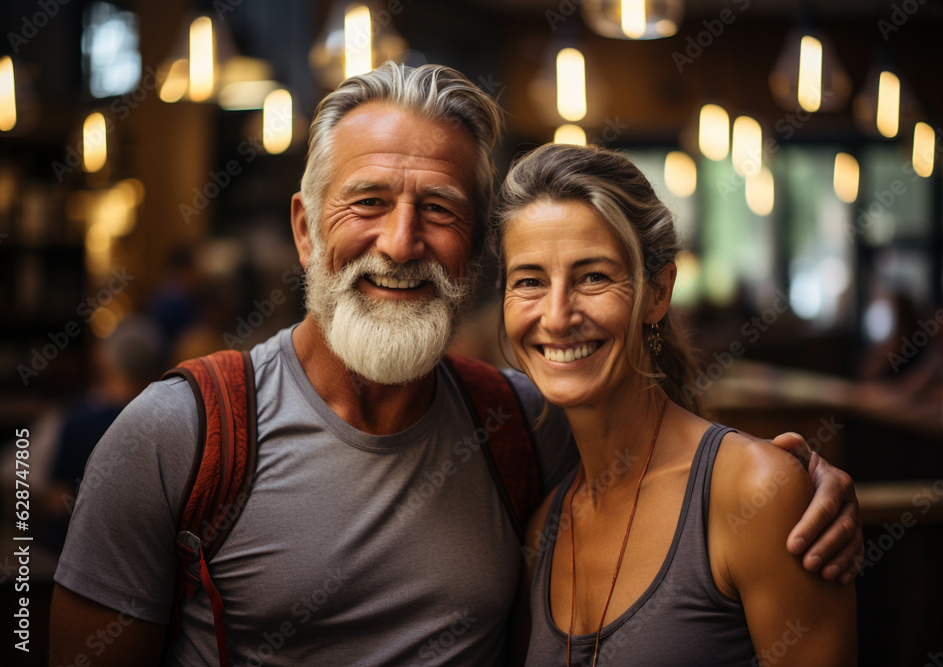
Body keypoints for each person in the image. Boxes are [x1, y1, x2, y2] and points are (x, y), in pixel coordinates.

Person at [50, 63, 862, 666]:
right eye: (368, 201)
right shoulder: (176, 436)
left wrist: (796, 480)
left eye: (437, 210)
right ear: (305, 230)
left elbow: (664, 464)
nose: (401, 243)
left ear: (472, 252)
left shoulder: (518, 425)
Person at [494, 143, 856, 666]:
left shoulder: (755, 492)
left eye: (593, 276)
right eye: (529, 281)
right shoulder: (542, 529)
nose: (556, 315)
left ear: (657, 292)